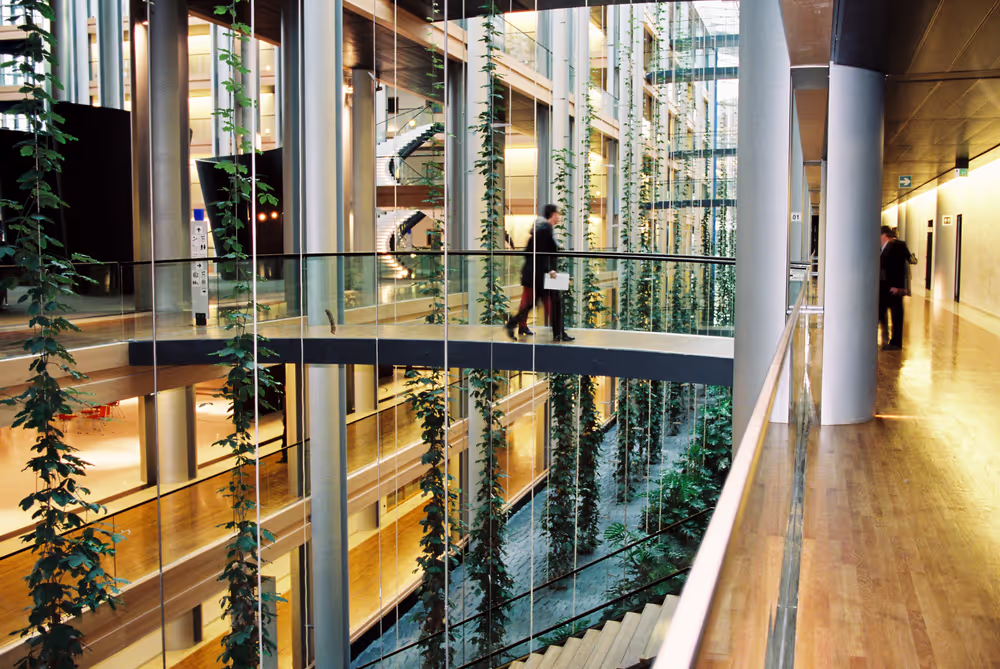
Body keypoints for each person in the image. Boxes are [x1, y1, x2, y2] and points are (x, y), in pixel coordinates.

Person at [505, 204, 574, 342]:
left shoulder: (544, 230)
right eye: (558, 214)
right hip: (540, 276)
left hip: (539, 275)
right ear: (553, 215)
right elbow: (539, 254)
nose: (559, 217)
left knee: (537, 303)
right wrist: (549, 269)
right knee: (552, 302)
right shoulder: (544, 230)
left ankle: (513, 324)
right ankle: (559, 333)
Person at [879, 225, 911, 351]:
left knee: (896, 314)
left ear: (885, 235)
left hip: (893, 288)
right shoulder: (882, 247)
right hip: (884, 287)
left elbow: (901, 268)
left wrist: (900, 287)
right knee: (882, 313)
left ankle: (895, 342)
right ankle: (886, 338)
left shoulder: (898, 246)